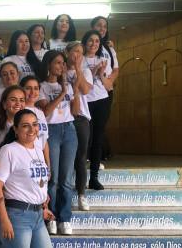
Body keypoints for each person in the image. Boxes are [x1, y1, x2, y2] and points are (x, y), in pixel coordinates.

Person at [0, 109, 52, 248]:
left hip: (37, 216)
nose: (32, 129)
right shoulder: (9, 150)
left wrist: (43, 204)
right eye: (25, 125)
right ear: (15, 129)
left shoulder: (37, 149)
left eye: (35, 124)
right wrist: (4, 219)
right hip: (17, 215)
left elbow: (35, 181)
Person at [36, 50, 80, 235]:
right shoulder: (42, 85)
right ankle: (51, 217)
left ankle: (65, 218)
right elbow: (45, 111)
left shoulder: (68, 85)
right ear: (48, 65)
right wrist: (62, 92)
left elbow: (75, 111)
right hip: (52, 131)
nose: (61, 66)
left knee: (66, 179)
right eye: (58, 62)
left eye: (63, 63)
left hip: (69, 129)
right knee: (52, 179)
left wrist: (73, 90)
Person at [81, 30, 113, 191]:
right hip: (85, 102)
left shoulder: (103, 60)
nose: (94, 44)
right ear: (85, 42)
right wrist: (93, 74)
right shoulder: (79, 60)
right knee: (87, 139)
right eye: (90, 40)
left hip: (101, 101)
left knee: (98, 140)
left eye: (97, 41)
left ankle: (94, 177)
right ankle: (80, 177)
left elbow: (108, 86)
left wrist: (101, 75)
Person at [63, 42, 93, 211]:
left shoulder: (85, 71)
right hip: (63, 117)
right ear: (67, 52)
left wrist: (78, 68)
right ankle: (63, 195)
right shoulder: (60, 69)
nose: (78, 55)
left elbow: (85, 90)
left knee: (81, 159)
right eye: (75, 51)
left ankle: (81, 194)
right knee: (65, 160)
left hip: (80, 118)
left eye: (81, 53)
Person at [91, 16, 119, 163]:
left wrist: (109, 80)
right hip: (88, 93)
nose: (102, 29)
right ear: (92, 27)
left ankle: (99, 156)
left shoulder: (110, 48)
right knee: (88, 126)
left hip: (106, 91)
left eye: (105, 26)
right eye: (98, 25)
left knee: (100, 126)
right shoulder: (86, 46)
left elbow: (115, 70)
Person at [20, 75, 50, 166]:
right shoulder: (18, 111)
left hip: (40, 159)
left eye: (36, 88)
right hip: (23, 159)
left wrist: (47, 164)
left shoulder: (40, 113)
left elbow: (44, 140)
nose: (33, 92)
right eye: (28, 88)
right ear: (22, 90)